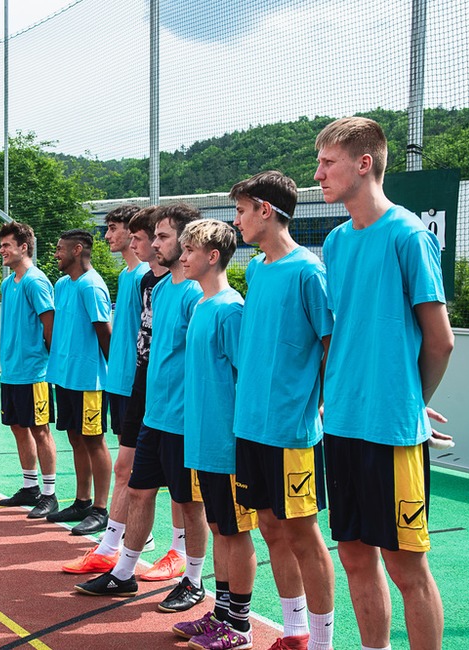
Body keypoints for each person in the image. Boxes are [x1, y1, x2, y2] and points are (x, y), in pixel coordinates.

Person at [314, 116, 454, 650]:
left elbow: (439, 339)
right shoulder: (335, 241)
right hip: (343, 422)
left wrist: (411, 402)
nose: (320, 174)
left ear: (363, 163)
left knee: (406, 566)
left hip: (392, 432)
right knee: (353, 554)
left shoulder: (409, 234)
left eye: (328, 162)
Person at [76, 204, 208, 615]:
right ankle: (123, 572)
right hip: (152, 408)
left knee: (190, 502)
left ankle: (193, 580)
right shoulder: (162, 287)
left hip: (184, 416)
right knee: (138, 488)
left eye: (163, 237)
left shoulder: (198, 296)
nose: (153, 243)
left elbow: (206, 362)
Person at [230, 172, 335, 650]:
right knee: (270, 526)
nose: (236, 222)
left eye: (240, 211)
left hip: (292, 431)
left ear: (265, 210)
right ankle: (293, 632)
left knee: (304, 534)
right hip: (250, 425)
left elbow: (332, 347)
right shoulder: (256, 269)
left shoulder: (309, 272)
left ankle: (321, 641)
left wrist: (319, 407)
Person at [62, 206, 184, 580]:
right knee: (127, 468)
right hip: (134, 383)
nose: (124, 240)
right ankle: (114, 545)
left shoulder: (176, 286)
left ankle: (178, 552)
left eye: (136, 235)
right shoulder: (142, 280)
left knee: (179, 482)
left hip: (160, 390)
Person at [169, 217, 254, 650]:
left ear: (212, 256)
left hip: (226, 445)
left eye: (189, 251)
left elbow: (247, 378)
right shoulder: (202, 306)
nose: (182, 258)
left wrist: (240, 441)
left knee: (235, 532)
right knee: (220, 527)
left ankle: (239, 626)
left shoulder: (230, 309)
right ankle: (220, 613)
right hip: (201, 440)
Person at [66, 205, 147, 536]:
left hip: (134, 382)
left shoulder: (145, 275)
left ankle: (136, 529)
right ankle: (121, 524)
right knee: (125, 459)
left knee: (137, 464)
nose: (107, 235)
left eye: (113, 228)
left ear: (132, 232)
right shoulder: (127, 275)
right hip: (120, 381)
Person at [44, 229, 113, 531]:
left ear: (77, 250)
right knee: (75, 437)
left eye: (60, 249)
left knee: (94, 441)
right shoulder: (62, 285)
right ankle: (82, 502)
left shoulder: (92, 286)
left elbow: (105, 334)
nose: (56, 254)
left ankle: (100, 509)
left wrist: (117, 377)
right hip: (65, 377)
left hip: (89, 381)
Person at [0, 221, 60, 518]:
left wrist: (42, 360)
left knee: (40, 430)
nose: (2, 251)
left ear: (24, 247)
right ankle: (29, 487)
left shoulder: (35, 281)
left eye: (7, 245)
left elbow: (50, 324)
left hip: (34, 373)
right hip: (11, 370)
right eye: (1, 245)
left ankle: (49, 494)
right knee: (18, 427)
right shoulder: (8, 283)